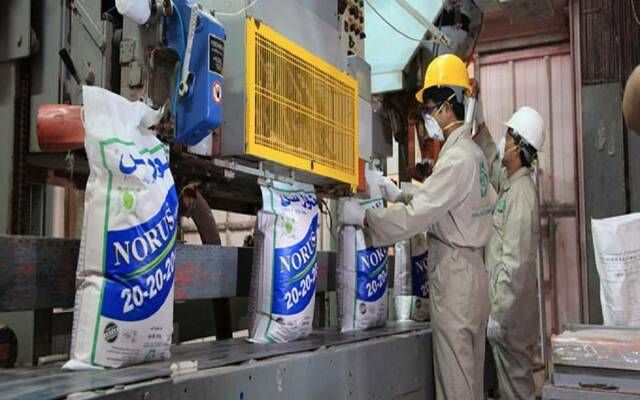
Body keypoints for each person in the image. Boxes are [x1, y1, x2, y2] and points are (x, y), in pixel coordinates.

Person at [339, 54, 493, 400]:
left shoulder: (456, 160)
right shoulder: (474, 156)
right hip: (474, 275)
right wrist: (399, 192)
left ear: (448, 107)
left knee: (455, 385)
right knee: (470, 380)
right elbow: (448, 202)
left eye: (430, 109)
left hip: (455, 278)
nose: (427, 118)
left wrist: (365, 218)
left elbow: (415, 217)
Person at [473, 89, 544, 400]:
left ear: (519, 148)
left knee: (516, 392)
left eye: (509, 136)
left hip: (510, 322)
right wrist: (480, 124)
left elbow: (515, 265)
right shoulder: (511, 185)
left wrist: (499, 315)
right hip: (508, 320)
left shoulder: (521, 196)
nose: (505, 142)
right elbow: (492, 164)